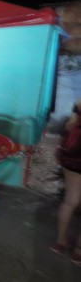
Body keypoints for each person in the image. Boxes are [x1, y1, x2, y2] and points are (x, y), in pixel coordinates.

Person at [51, 99, 81, 266]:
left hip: (74, 151)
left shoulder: (79, 101)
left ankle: (60, 242)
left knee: (70, 202)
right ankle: (78, 252)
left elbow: (71, 124)